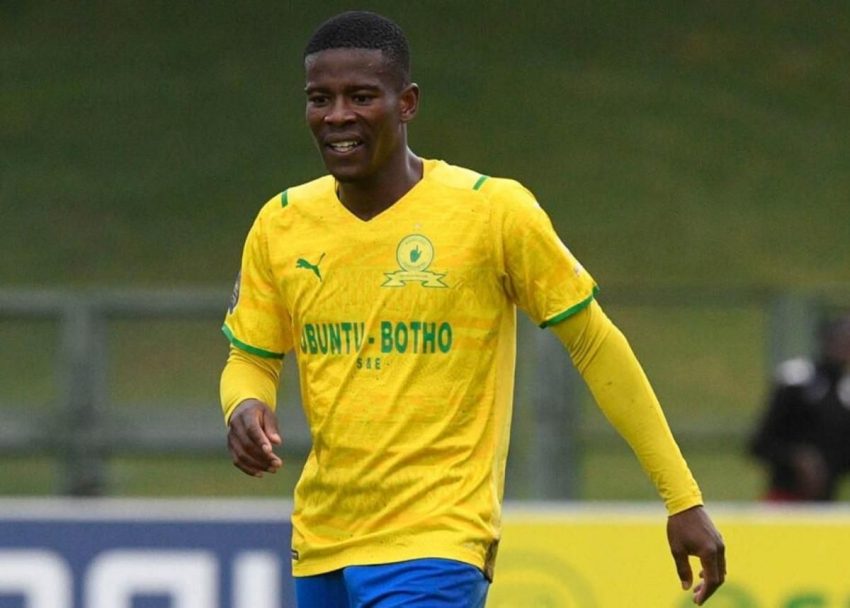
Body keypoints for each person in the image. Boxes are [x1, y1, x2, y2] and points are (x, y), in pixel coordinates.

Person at [220, 10, 725, 607]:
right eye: (319, 99)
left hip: (438, 541)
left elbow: (594, 344)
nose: (337, 116)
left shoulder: (491, 212)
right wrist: (244, 404)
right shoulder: (281, 223)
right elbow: (251, 357)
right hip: (323, 542)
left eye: (361, 96)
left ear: (407, 103)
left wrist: (682, 498)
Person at [750, 315, 850, 501]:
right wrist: (797, 458)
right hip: (784, 497)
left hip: (826, 504)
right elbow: (760, 443)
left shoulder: (845, 393)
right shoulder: (796, 382)